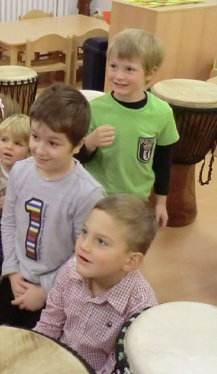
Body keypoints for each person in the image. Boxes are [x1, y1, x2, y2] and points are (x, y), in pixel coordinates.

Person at [0, 84, 105, 329]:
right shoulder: (20, 170)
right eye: (35, 137)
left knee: (39, 346)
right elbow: (9, 223)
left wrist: (45, 290)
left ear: (78, 145)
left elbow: (81, 255)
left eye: (53, 143)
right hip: (18, 274)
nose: (39, 149)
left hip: (59, 285)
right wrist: (12, 270)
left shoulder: (88, 193)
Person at [34, 195, 158, 374]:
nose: (84, 245)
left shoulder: (140, 310)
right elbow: (49, 324)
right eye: (85, 232)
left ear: (130, 262)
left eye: (101, 241)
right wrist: (33, 359)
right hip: (59, 363)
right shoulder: (71, 269)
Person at [76, 29, 179, 228]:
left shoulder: (162, 113)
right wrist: (90, 143)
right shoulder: (95, 109)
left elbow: (163, 162)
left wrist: (161, 203)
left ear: (151, 73)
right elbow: (78, 157)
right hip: (98, 197)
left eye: (129, 69)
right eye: (113, 66)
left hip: (137, 201)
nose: (118, 75)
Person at [0, 114, 31, 230]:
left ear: (29, 151)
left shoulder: (33, 173)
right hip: (0, 231)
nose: (8, 147)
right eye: (4, 140)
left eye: (17, 143)